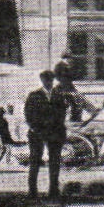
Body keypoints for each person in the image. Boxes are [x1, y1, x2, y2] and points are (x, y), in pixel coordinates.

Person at [24, 70, 69, 199]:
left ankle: (53, 190)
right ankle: (32, 191)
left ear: (53, 80)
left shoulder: (58, 95)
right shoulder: (34, 95)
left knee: (54, 161)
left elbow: (62, 113)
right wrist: (35, 127)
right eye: (46, 80)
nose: (48, 82)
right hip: (38, 132)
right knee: (35, 160)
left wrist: (57, 125)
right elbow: (28, 114)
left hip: (55, 132)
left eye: (50, 80)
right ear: (42, 80)